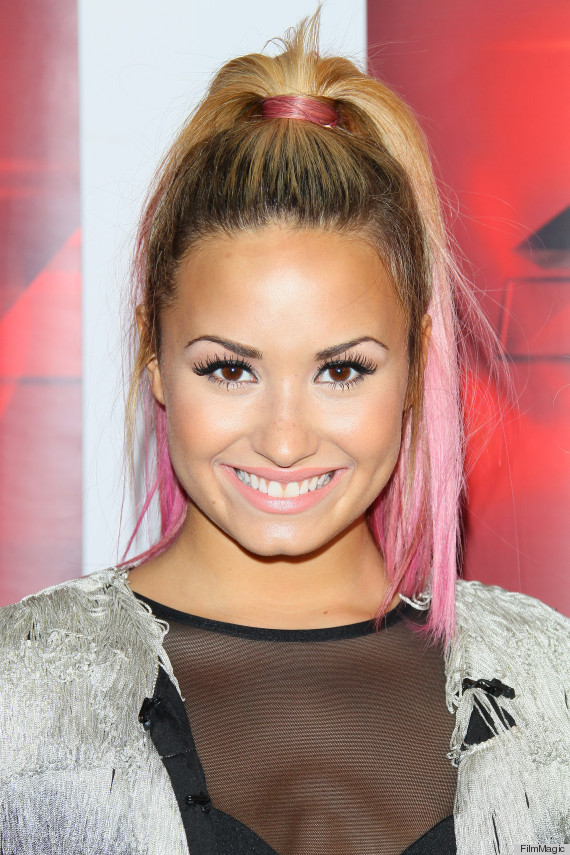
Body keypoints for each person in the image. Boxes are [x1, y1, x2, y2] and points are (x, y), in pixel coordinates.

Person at [0, 11, 568, 855]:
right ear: (153, 355)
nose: (285, 438)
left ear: (417, 364)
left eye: (342, 370)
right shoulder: (22, 695)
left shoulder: (552, 689)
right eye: (230, 368)